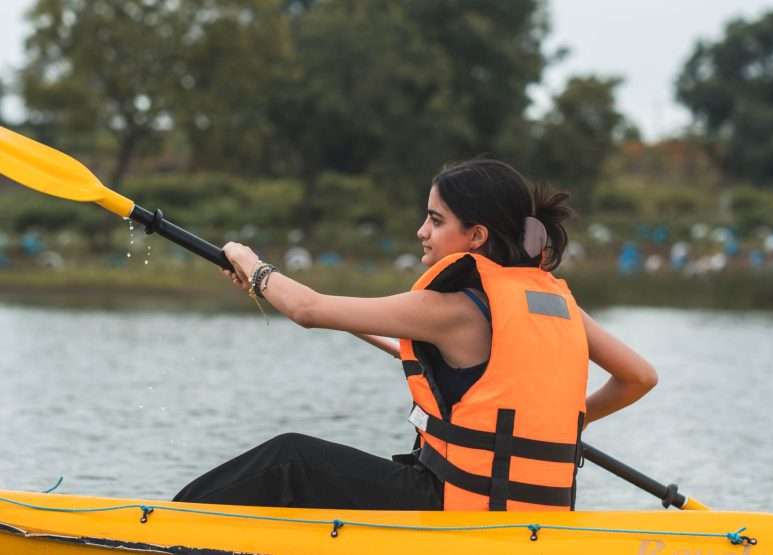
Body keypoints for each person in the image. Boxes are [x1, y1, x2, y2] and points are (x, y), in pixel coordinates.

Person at [172, 158, 657, 511]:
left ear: (476, 236)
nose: (421, 230)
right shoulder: (558, 305)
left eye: (436, 219)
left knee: (289, 460)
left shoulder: (450, 309)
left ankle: (159, 529)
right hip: (529, 517)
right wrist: (574, 422)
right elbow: (639, 377)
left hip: (453, 510)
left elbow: (308, 309)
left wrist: (250, 263)